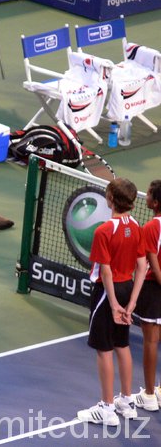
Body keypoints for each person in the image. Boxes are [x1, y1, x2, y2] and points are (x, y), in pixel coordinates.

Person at [77, 178, 147, 426]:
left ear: (109, 199)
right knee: (122, 344)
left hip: (107, 293)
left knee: (104, 349)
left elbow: (105, 272)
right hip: (128, 289)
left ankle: (106, 408)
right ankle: (126, 402)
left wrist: (115, 304)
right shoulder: (137, 226)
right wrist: (132, 303)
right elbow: (142, 266)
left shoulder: (103, 231)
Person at [133, 180, 161, 411]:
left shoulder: (151, 228)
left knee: (151, 342)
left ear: (155, 202)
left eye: (149, 194)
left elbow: (152, 263)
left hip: (154, 291)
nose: (146, 197)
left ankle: (150, 395)